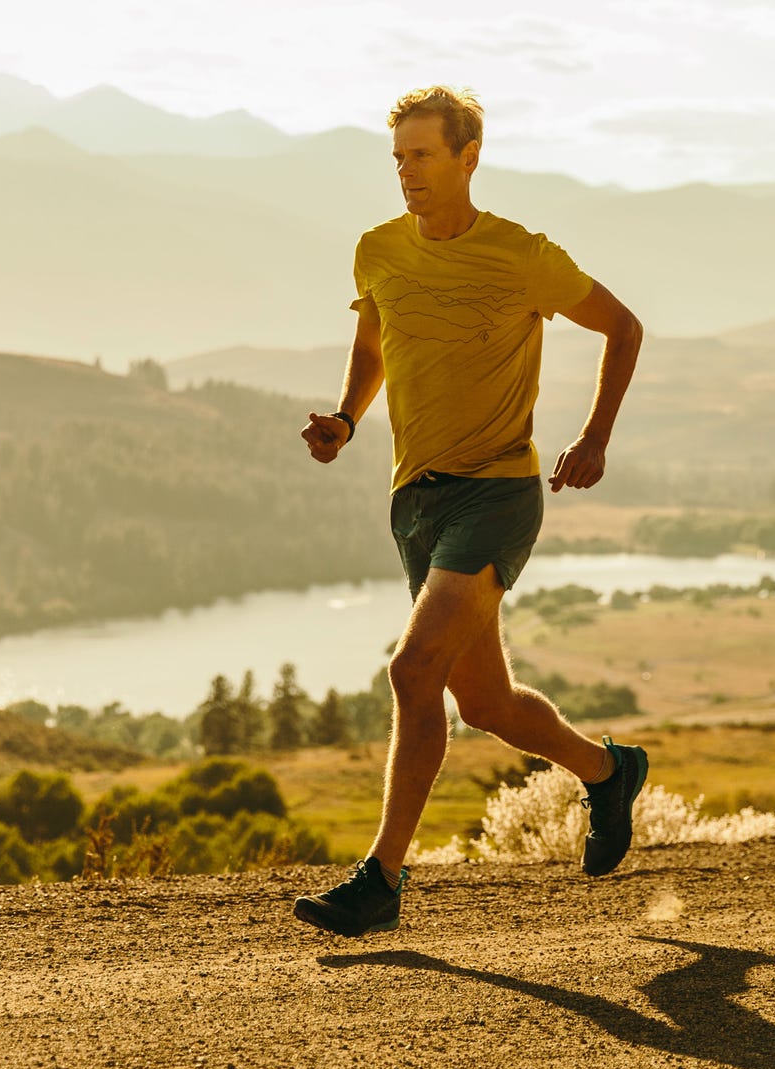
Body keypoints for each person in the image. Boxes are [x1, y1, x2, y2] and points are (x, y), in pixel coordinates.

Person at [292, 86, 648, 937]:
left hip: (496, 492)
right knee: (485, 702)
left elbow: (624, 326)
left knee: (413, 670)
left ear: (467, 157)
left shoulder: (521, 255)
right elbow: (376, 343)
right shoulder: (377, 251)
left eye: (421, 156)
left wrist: (595, 436)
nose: (406, 172)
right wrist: (346, 417)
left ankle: (380, 878)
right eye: (398, 159)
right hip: (415, 498)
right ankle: (609, 771)